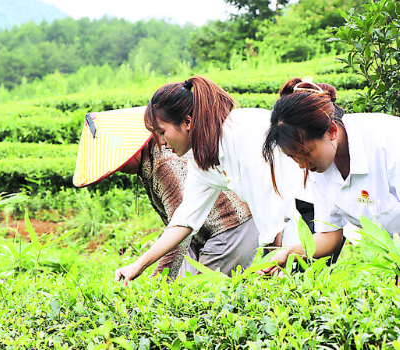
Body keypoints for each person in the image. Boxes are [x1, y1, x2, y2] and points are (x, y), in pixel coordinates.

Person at [115, 75, 308, 284]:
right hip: (289, 221)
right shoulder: (202, 161)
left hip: (307, 206)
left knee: (300, 289)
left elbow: (269, 204)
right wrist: (137, 265)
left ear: (187, 122)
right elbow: (184, 220)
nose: (161, 142)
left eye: (162, 132)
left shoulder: (240, 134)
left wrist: (273, 257)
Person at [260, 76, 400, 276]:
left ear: (332, 131)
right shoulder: (322, 167)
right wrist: (289, 251)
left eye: (306, 153)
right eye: (294, 158)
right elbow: (330, 235)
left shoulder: (389, 143)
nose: (302, 165)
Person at [120, 137, 260, 279]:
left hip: (230, 225)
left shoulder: (165, 165)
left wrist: (159, 282)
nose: (120, 167)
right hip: (199, 232)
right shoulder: (150, 162)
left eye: (122, 158)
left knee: (203, 294)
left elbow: (181, 227)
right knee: (185, 289)